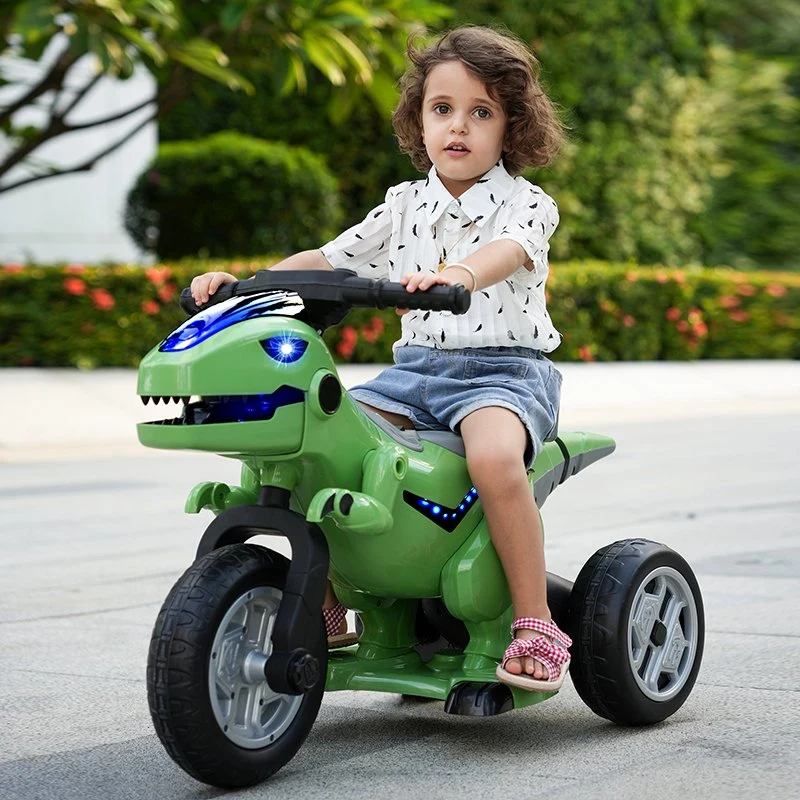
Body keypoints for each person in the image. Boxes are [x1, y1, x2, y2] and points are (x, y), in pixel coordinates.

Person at [191, 26, 571, 692]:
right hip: (414, 373)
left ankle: (536, 621)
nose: (459, 126)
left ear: (511, 125)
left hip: (504, 373)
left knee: (491, 459)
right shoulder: (404, 205)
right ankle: (328, 597)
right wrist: (244, 285)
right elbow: (328, 260)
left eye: (481, 112)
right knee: (321, 433)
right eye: (442, 109)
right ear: (419, 119)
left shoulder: (528, 204)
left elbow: (505, 251)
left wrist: (458, 274)